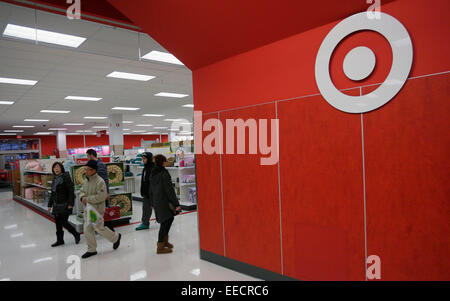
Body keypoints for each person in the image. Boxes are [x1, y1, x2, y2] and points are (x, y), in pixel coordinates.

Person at [80, 160, 121, 259]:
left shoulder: (100, 181)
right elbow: (81, 191)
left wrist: (87, 199)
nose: (86, 171)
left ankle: (116, 237)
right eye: (85, 169)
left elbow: (101, 196)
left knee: (98, 228)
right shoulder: (86, 181)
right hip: (87, 209)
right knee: (87, 229)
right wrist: (82, 197)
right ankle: (91, 249)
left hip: (96, 209)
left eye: (89, 169)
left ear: (94, 170)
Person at [149, 154, 181, 254]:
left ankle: (165, 241)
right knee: (165, 222)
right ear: (163, 162)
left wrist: (152, 202)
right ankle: (160, 246)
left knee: (168, 219)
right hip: (164, 200)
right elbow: (169, 190)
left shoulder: (153, 173)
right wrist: (176, 204)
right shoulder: (164, 173)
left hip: (157, 200)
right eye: (165, 161)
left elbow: (150, 189)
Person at [47, 162, 80, 247]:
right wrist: (49, 205)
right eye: (55, 167)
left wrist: (70, 204)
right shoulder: (54, 179)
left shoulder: (66, 177)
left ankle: (76, 234)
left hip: (65, 204)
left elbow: (71, 192)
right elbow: (53, 193)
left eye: (58, 167)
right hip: (56, 205)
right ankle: (60, 240)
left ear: (61, 168)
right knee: (58, 223)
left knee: (64, 222)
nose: (56, 169)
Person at [86, 149, 114, 232]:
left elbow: (105, 180)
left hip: (101, 193)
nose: (87, 158)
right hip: (96, 193)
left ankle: (110, 229)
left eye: (87, 156)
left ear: (91, 155)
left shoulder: (100, 165)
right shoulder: (94, 165)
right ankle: (99, 227)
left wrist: (106, 193)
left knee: (105, 211)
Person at [136, 152, 154, 231]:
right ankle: (145, 223)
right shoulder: (145, 168)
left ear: (149, 159)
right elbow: (144, 181)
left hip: (153, 193)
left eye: (144, 158)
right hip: (147, 193)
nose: (143, 160)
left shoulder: (153, 168)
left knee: (160, 207)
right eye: (142, 159)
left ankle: (167, 219)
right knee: (146, 208)